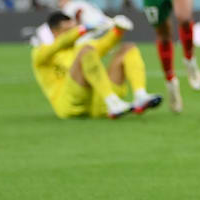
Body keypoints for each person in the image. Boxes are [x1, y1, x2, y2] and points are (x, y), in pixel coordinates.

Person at [31, 10, 161, 119]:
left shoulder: (80, 47)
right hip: (68, 106)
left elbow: (104, 45)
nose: (73, 34)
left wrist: (118, 30)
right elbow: (60, 43)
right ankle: (112, 102)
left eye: (74, 29)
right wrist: (82, 30)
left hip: (95, 104)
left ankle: (140, 95)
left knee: (128, 48)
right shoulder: (42, 54)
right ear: (55, 32)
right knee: (86, 51)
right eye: (68, 31)